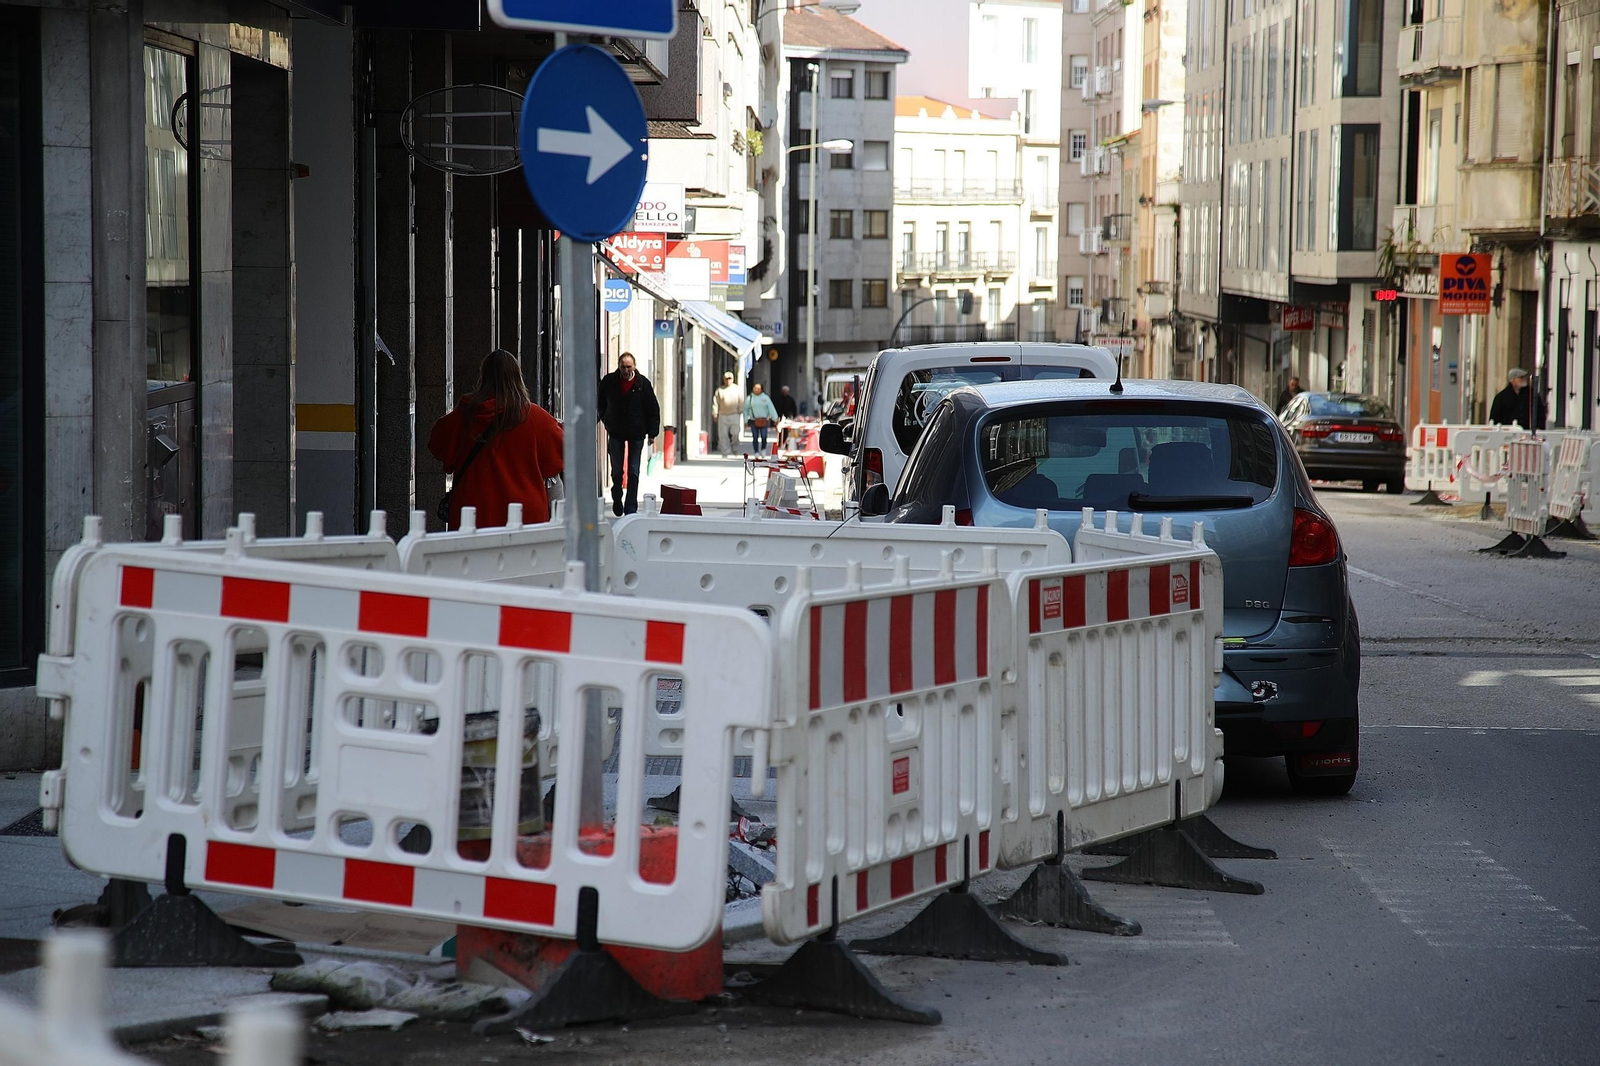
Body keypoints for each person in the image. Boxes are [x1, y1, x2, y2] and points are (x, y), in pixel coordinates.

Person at [428, 348, 563, 529]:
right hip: (526, 522)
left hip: (473, 519)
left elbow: (437, 443)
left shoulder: (464, 416)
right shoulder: (535, 418)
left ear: (483, 377)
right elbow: (561, 454)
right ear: (517, 378)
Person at [598, 352, 661, 516]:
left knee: (633, 471)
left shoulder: (642, 384)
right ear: (618, 366)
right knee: (617, 471)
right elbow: (600, 403)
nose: (626, 370)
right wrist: (606, 420)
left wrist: (652, 433)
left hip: (637, 432)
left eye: (629, 367)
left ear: (634, 366)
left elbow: (653, 409)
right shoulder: (609, 382)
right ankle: (617, 497)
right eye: (623, 367)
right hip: (616, 432)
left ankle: (631, 506)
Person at [713, 371, 744, 457]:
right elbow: (716, 403)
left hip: (734, 414)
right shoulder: (720, 390)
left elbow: (741, 400)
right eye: (726, 379)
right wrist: (715, 413)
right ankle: (725, 452)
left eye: (730, 379)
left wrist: (741, 410)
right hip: (723, 415)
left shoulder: (737, 389)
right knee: (723, 435)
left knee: (735, 433)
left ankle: (735, 448)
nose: (728, 381)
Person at [743, 383, 779, 455]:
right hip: (753, 420)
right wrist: (745, 420)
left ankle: (763, 449)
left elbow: (771, 408)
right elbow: (745, 410)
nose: (756, 390)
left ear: (761, 390)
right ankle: (756, 451)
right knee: (755, 436)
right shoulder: (749, 398)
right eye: (755, 388)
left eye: (758, 389)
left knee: (764, 435)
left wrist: (775, 419)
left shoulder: (765, 398)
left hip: (764, 420)